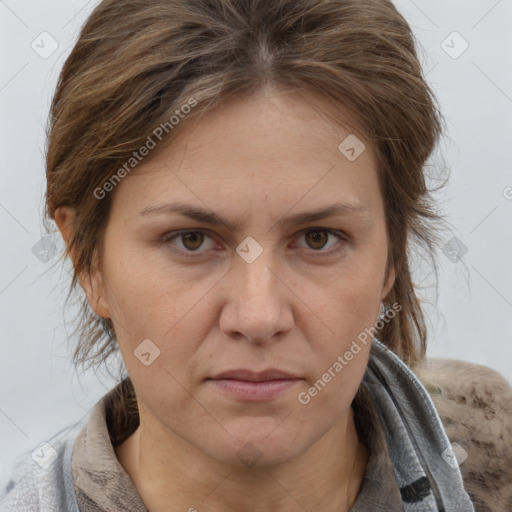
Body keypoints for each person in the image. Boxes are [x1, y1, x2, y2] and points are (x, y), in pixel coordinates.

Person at [1, 0, 511, 511]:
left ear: (392, 252)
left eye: (318, 238)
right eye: (192, 240)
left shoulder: (491, 453)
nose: (259, 316)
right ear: (86, 260)